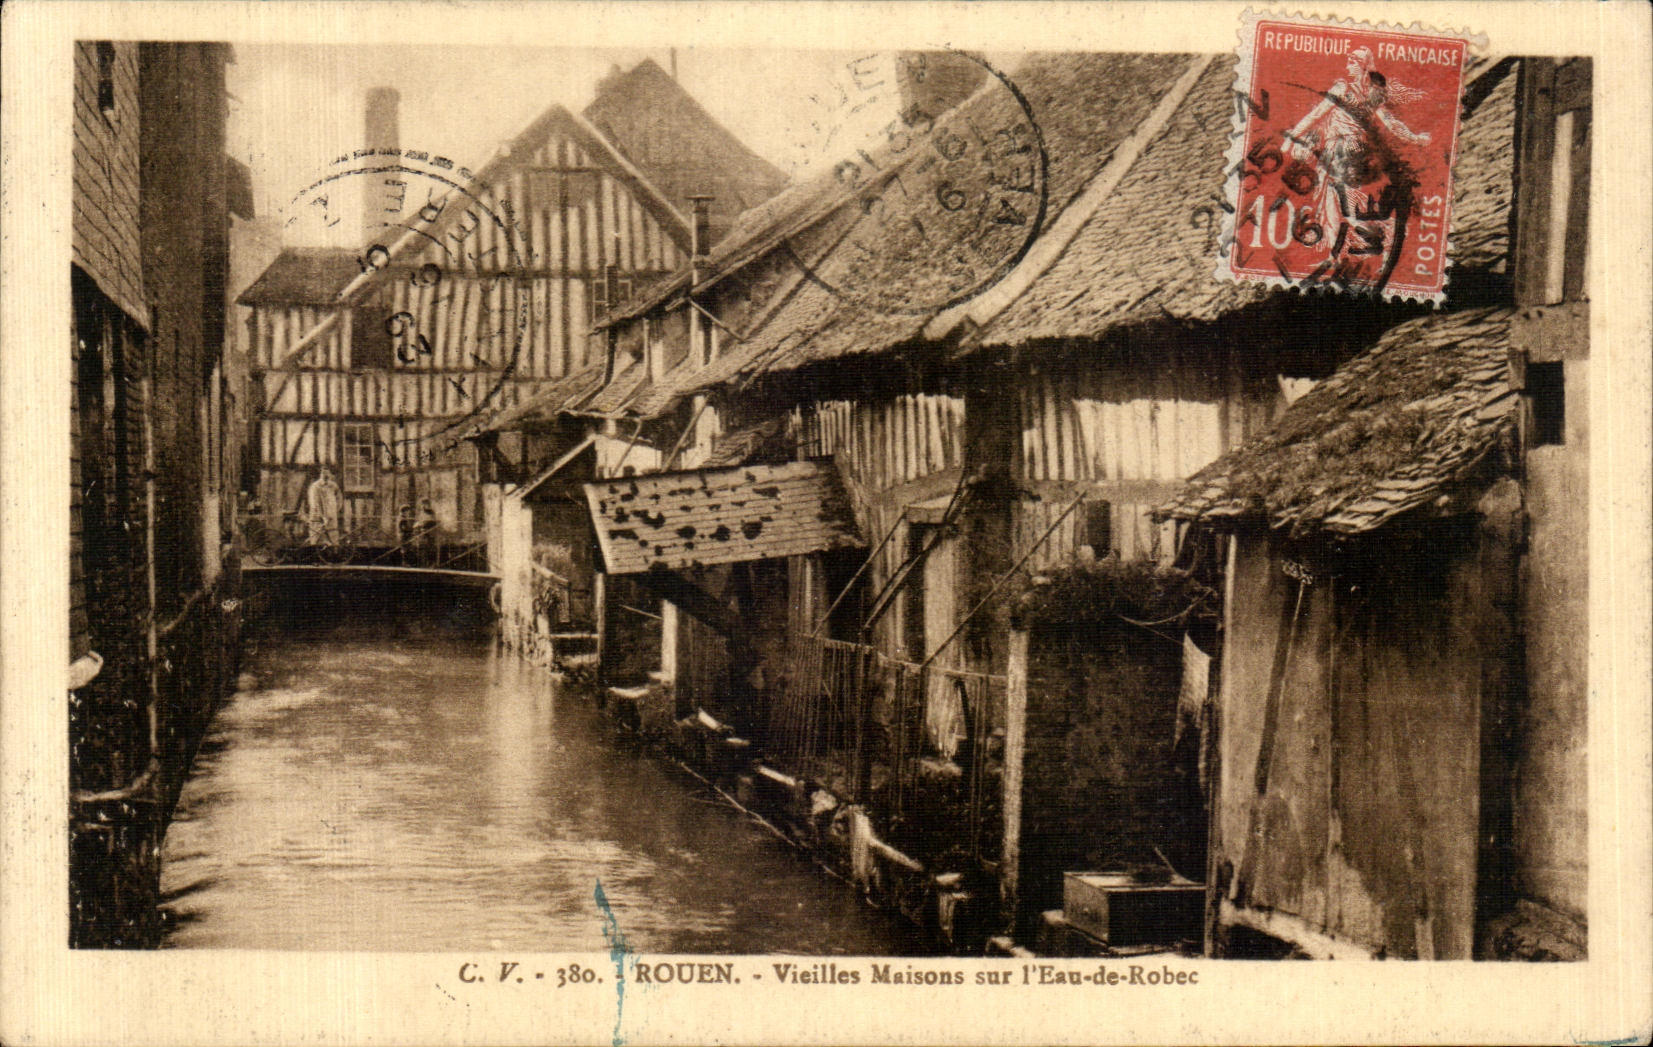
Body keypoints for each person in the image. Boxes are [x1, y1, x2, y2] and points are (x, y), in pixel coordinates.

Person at [1283, 46, 1433, 242]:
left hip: (1338, 148)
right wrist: (1416, 138)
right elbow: (1392, 125)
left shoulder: (1343, 88)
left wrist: (1290, 138)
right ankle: (1352, 237)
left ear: (1362, 67)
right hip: (1357, 153)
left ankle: (1374, 233)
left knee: (1331, 198)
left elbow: (1316, 114)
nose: (1347, 66)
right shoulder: (1372, 96)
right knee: (1337, 197)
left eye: (1352, 62)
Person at [304, 467, 343, 548]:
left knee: (333, 537)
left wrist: (336, 509)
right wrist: (322, 516)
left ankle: (333, 555)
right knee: (317, 537)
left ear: (329, 474)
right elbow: (314, 504)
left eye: (327, 473)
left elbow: (339, 497)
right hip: (318, 516)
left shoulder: (333, 485)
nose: (325, 475)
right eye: (323, 473)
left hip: (331, 515)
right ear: (320, 474)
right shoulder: (315, 486)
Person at [416, 497, 438, 566]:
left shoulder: (431, 512)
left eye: (425, 504)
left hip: (430, 532)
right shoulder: (421, 512)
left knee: (431, 547)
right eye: (422, 504)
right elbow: (420, 521)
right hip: (423, 532)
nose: (423, 506)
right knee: (422, 547)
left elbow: (433, 521)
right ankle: (423, 563)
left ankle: (432, 563)